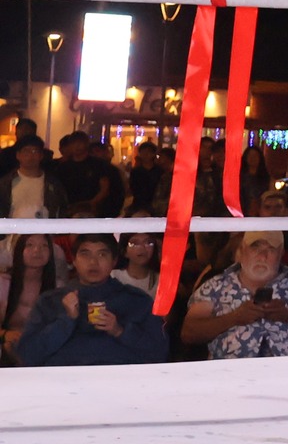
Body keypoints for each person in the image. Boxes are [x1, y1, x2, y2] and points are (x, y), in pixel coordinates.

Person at [15, 233, 167, 366]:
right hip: (64, 383)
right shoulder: (50, 301)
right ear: (74, 260)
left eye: (102, 255)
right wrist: (65, 321)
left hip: (120, 382)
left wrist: (120, 331)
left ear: (114, 261)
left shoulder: (136, 301)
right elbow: (27, 356)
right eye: (85, 254)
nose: (93, 262)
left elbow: (161, 353)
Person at [182, 231, 288, 358]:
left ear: (281, 254)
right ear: (241, 251)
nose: (262, 256)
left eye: (270, 249)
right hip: (233, 373)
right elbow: (189, 332)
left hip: (286, 373)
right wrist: (234, 318)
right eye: (255, 247)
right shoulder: (216, 285)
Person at [3, 232, 67, 363]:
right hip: (9, 346)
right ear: (19, 249)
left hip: (45, 348)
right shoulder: (3, 283)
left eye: (44, 246)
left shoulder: (58, 287)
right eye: (30, 245)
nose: (37, 250)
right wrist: (5, 334)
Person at [6, 138, 69, 230]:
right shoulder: (6, 183)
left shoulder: (53, 184)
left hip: (44, 234)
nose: (31, 156)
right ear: (18, 155)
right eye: (26, 151)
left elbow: (61, 209)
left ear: (41, 155)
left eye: (35, 151)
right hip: (12, 234)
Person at [111, 231, 162, 299]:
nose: (142, 248)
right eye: (134, 243)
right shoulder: (113, 276)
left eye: (148, 243)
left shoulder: (161, 281)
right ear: (125, 251)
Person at [125, 141, 166, 217]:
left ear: (153, 154)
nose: (146, 155)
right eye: (143, 152)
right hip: (138, 204)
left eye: (149, 152)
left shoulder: (160, 171)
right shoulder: (136, 171)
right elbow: (134, 188)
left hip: (156, 205)